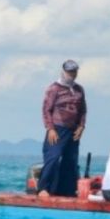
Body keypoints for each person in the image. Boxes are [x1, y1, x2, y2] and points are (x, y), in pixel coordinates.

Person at [38, 59, 87, 198]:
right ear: (63, 72)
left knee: (71, 161)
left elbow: (83, 110)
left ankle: (66, 190)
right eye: (70, 71)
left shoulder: (79, 89)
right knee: (53, 157)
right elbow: (46, 110)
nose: (72, 74)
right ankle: (43, 188)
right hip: (58, 129)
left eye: (75, 71)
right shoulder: (54, 88)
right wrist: (50, 128)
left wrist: (82, 126)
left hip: (73, 130)